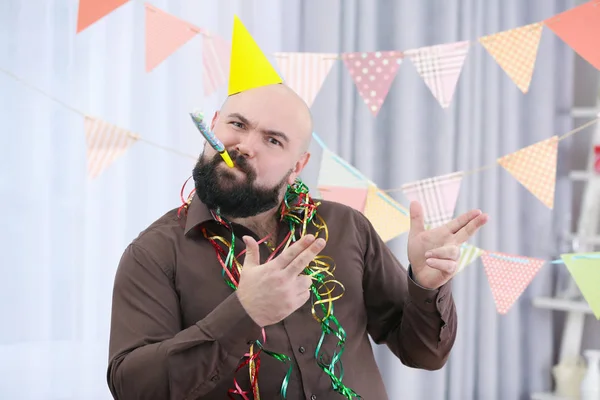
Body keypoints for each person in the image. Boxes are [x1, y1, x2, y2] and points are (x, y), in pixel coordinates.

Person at [106, 82, 488, 399]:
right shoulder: (152, 255)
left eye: (273, 140)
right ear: (215, 125)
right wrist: (244, 313)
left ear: (298, 167)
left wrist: (424, 284)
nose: (244, 146)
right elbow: (132, 388)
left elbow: (424, 354)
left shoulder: (345, 226)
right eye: (237, 124)